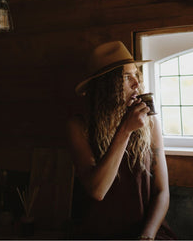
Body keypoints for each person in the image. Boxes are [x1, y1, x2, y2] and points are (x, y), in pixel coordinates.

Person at [66, 41, 176, 240]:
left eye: (136, 75)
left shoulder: (149, 124)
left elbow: (162, 192)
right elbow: (97, 190)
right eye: (126, 77)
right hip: (98, 233)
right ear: (106, 86)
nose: (137, 83)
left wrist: (147, 236)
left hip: (145, 231)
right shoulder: (79, 127)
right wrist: (125, 130)